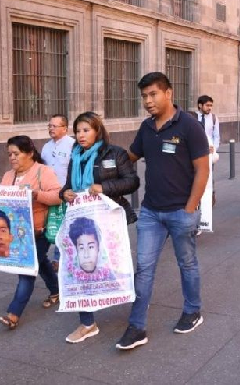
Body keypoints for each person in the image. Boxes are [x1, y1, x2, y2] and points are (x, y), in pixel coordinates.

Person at [115, 72, 209, 351]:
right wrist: (102, 154)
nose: (148, 101)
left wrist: (191, 207)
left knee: (187, 264)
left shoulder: (190, 126)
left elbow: (202, 169)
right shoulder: (146, 128)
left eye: (153, 94)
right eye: (144, 96)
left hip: (181, 211)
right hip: (151, 213)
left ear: (169, 93)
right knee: (143, 268)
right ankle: (137, 326)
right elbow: (129, 158)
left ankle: (193, 310)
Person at [60, 111, 139, 344]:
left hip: (110, 220)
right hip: (82, 221)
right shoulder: (75, 156)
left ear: (97, 130)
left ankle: (135, 304)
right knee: (81, 271)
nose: (81, 135)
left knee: (115, 264)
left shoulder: (115, 153)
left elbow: (132, 182)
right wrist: (64, 193)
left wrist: (103, 187)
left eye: (86, 130)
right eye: (78, 131)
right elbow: (66, 185)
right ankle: (87, 323)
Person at [0, 136, 62, 330]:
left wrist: (36, 195)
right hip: (17, 235)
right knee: (40, 263)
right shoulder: (8, 176)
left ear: (30, 153)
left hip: (39, 232)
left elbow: (58, 197)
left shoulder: (43, 172)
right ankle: (57, 290)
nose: (12, 158)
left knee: (26, 271)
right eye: (9, 154)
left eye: (16, 154)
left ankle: (14, 313)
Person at [41, 114, 75, 270]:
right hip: (49, 195)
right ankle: (53, 258)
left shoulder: (72, 145)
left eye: (55, 126)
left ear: (64, 128)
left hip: (67, 195)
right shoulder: (46, 147)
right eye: (50, 126)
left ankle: (58, 259)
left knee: (65, 228)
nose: (51, 128)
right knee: (52, 225)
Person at [196, 95, 220, 207]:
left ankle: (211, 195)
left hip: (209, 153)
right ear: (200, 105)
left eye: (211, 105)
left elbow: (217, 136)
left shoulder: (214, 118)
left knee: (209, 175)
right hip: (196, 153)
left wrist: (213, 148)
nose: (209, 108)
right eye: (207, 105)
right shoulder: (193, 118)